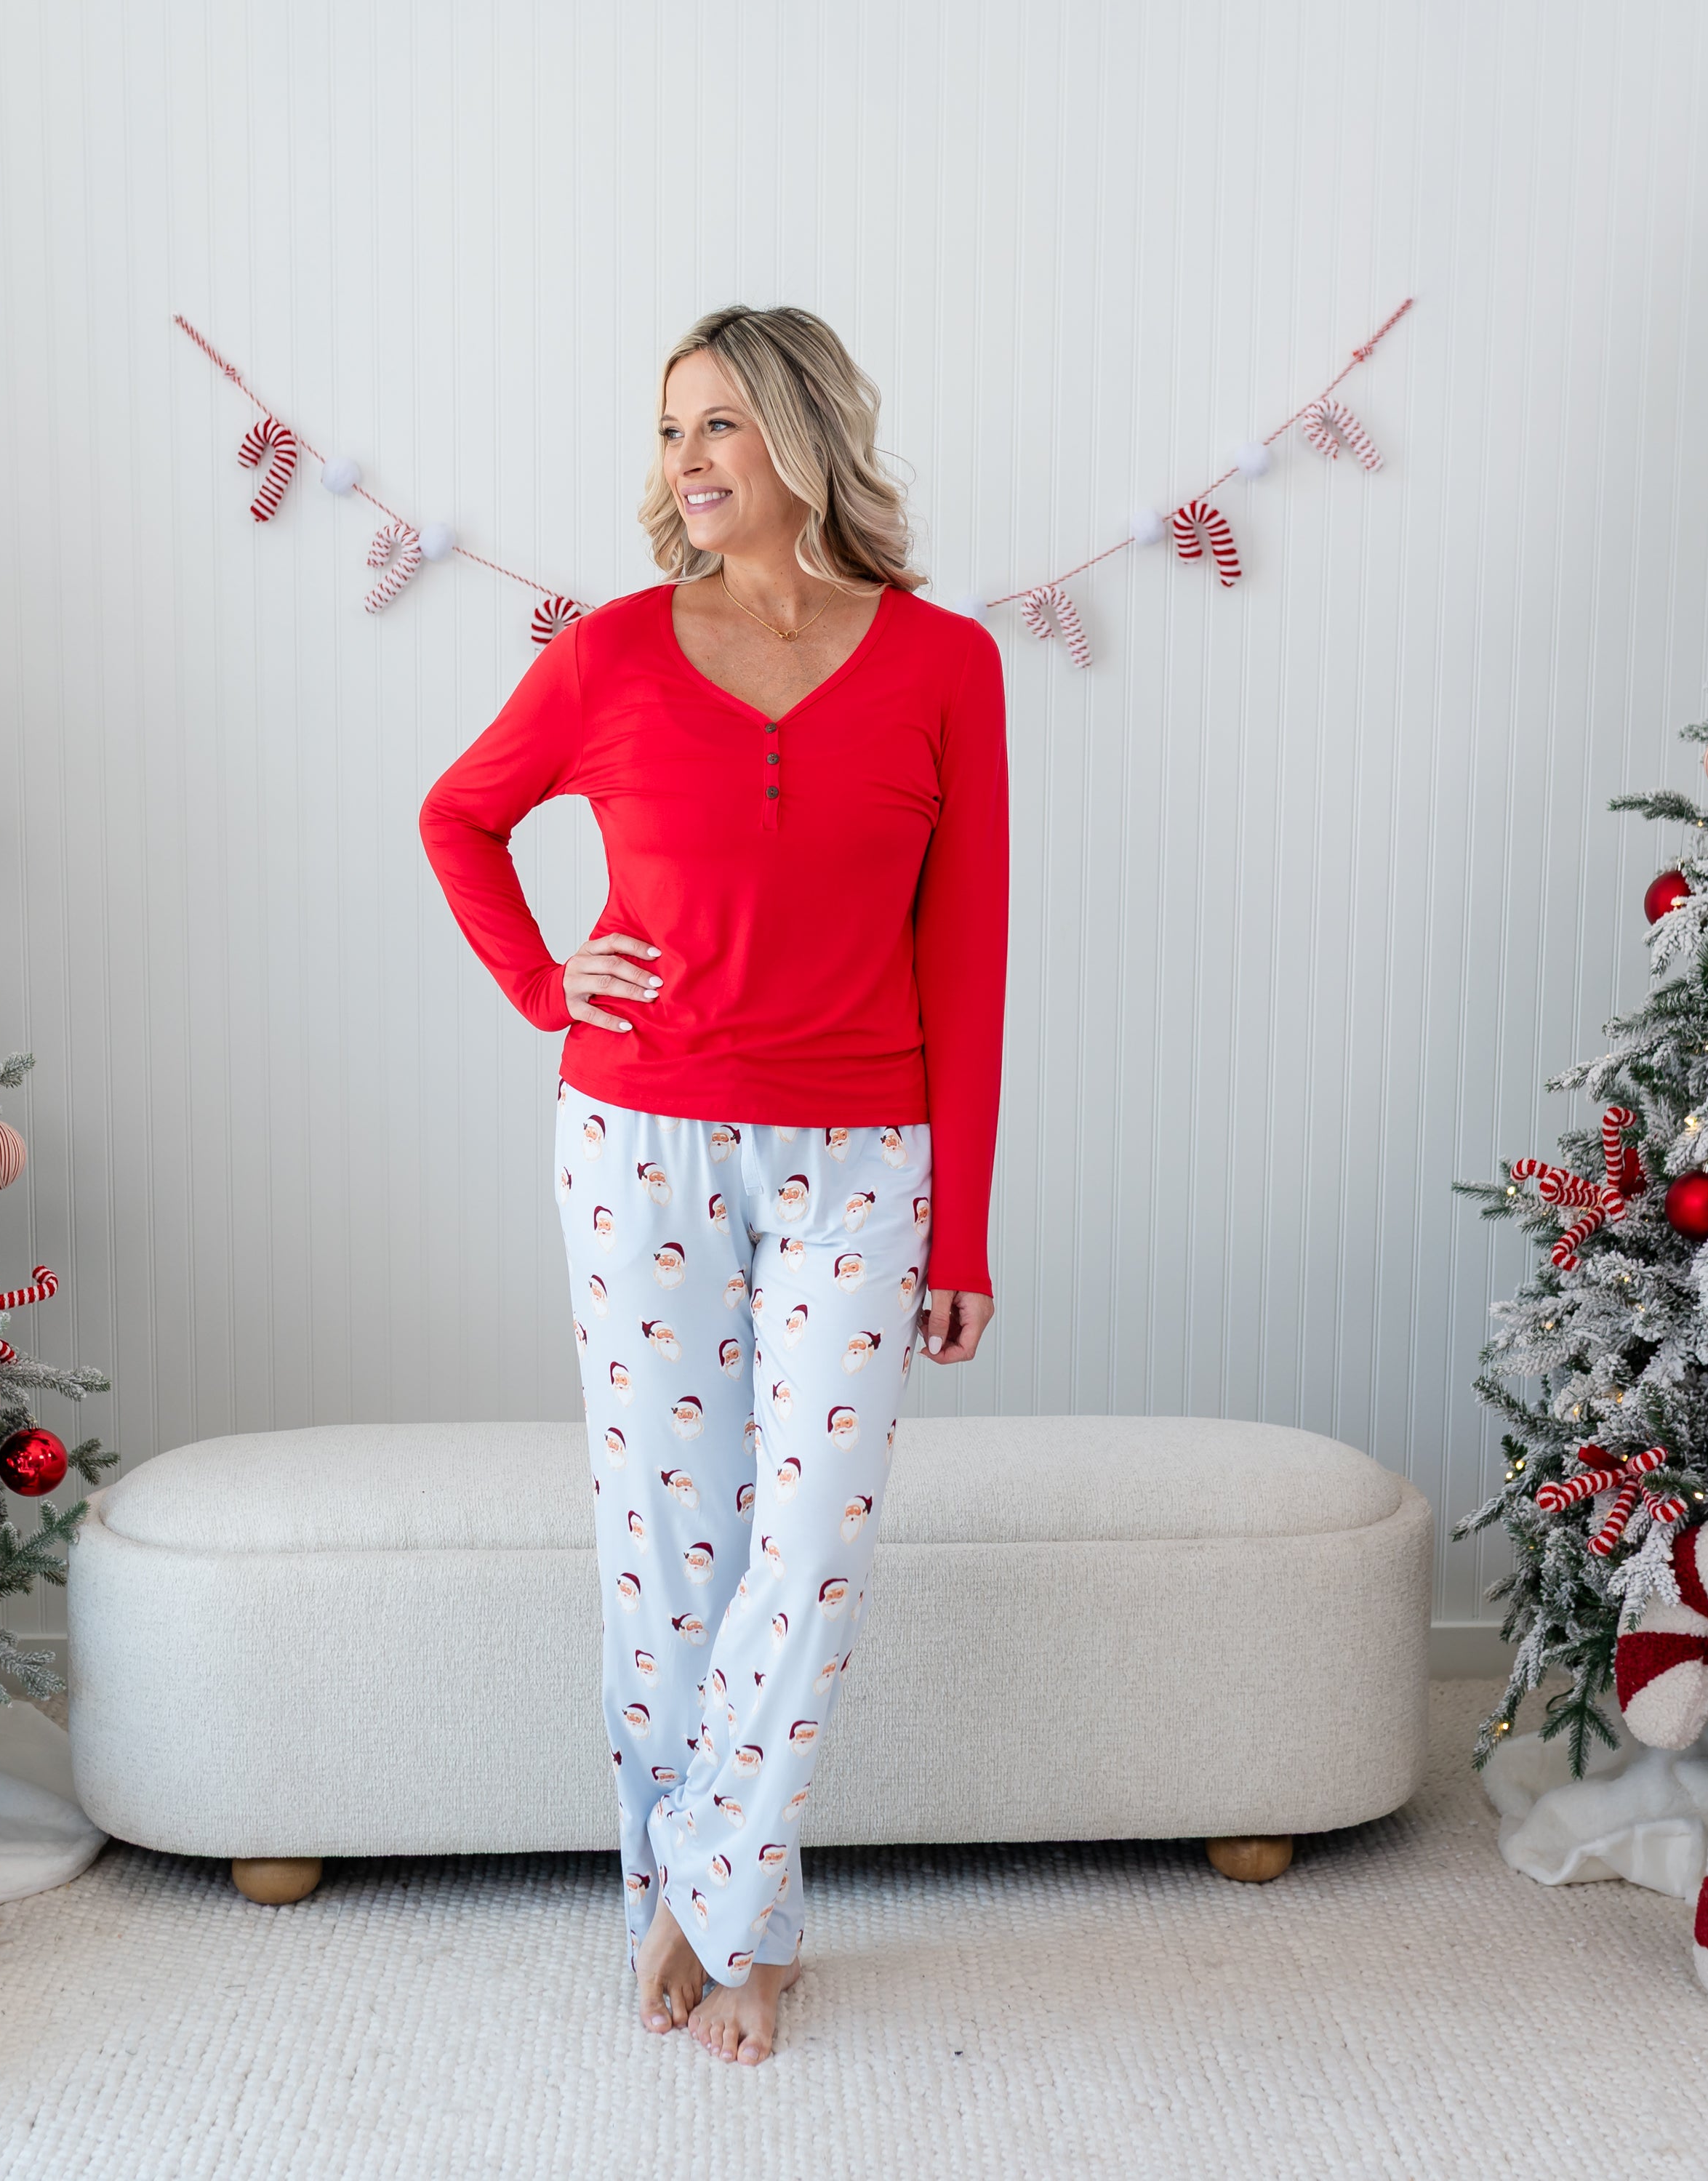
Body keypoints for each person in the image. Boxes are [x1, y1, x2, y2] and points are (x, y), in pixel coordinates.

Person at [420, 304, 1009, 2065]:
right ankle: (731, 1916)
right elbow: (462, 817)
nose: (686, 459)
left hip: (865, 1159)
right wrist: (546, 984)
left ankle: (704, 1887)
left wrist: (962, 1218)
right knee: (672, 1543)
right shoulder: (605, 655)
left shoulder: (944, 664)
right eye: (672, 427)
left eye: (723, 425)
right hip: (638, 1139)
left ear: (807, 440)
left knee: (809, 1540)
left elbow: (965, 955)